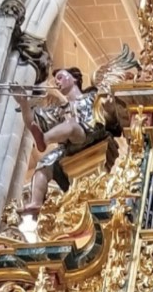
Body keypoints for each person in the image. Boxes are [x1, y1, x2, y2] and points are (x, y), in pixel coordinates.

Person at [14, 67, 105, 219]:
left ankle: (44, 140)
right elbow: (32, 123)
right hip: (70, 146)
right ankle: (36, 202)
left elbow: (108, 105)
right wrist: (24, 104)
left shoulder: (91, 97)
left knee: (71, 125)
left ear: (74, 79)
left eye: (61, 77)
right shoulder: (59, 110)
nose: (57, 82)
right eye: (56, 80)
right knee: (43, 164)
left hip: (90, 134)